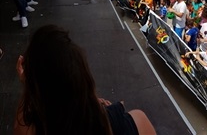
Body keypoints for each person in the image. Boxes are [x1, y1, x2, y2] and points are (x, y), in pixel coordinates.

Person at [14, 25, 156, 135]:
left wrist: (28, 85)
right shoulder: (137, 123)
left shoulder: (33, 130)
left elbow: (20, 126)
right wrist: (90, 100)